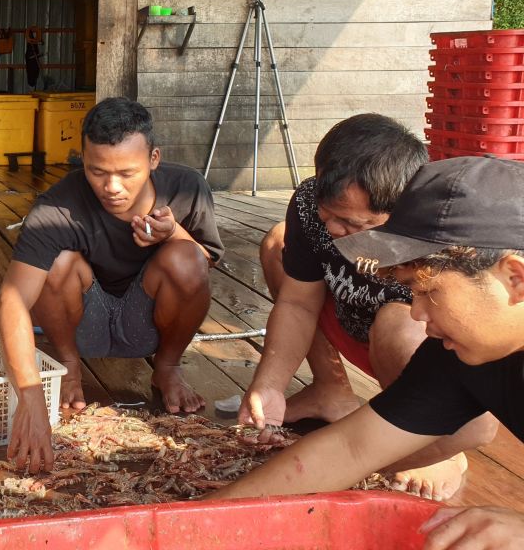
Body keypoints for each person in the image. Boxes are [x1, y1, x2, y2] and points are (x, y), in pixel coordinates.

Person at [211, 156, 523, 549]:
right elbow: (349, 448)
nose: (416, 311)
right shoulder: (456, 355)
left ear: (515, 278)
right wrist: (192, 520)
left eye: (429, 292)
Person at [240, 114, 497, 498]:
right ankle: (331, 390)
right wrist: (270, 383)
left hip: (412, 342)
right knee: (279, 245)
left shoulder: (431, 229)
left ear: (400, 210)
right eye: (327, 215)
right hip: (346, 316)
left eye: (350, 222)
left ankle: (431, 442)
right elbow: (296, 303)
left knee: (400, 320)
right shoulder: (313, 205)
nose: (332, 228)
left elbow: (479, 404)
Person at [0, 96, 225, 473]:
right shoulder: (56, 207)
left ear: (153, 159)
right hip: (85, 321)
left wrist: (174, 234)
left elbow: (206, 263)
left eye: (127, 172)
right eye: (97, 171)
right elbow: (11, 300)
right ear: (82, 159)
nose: (112, 187)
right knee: (56, 262)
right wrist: (30, 395)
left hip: (149, 322)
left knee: (185, 256)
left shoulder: (188, 187)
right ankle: (70, 367)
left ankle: (167, 367)